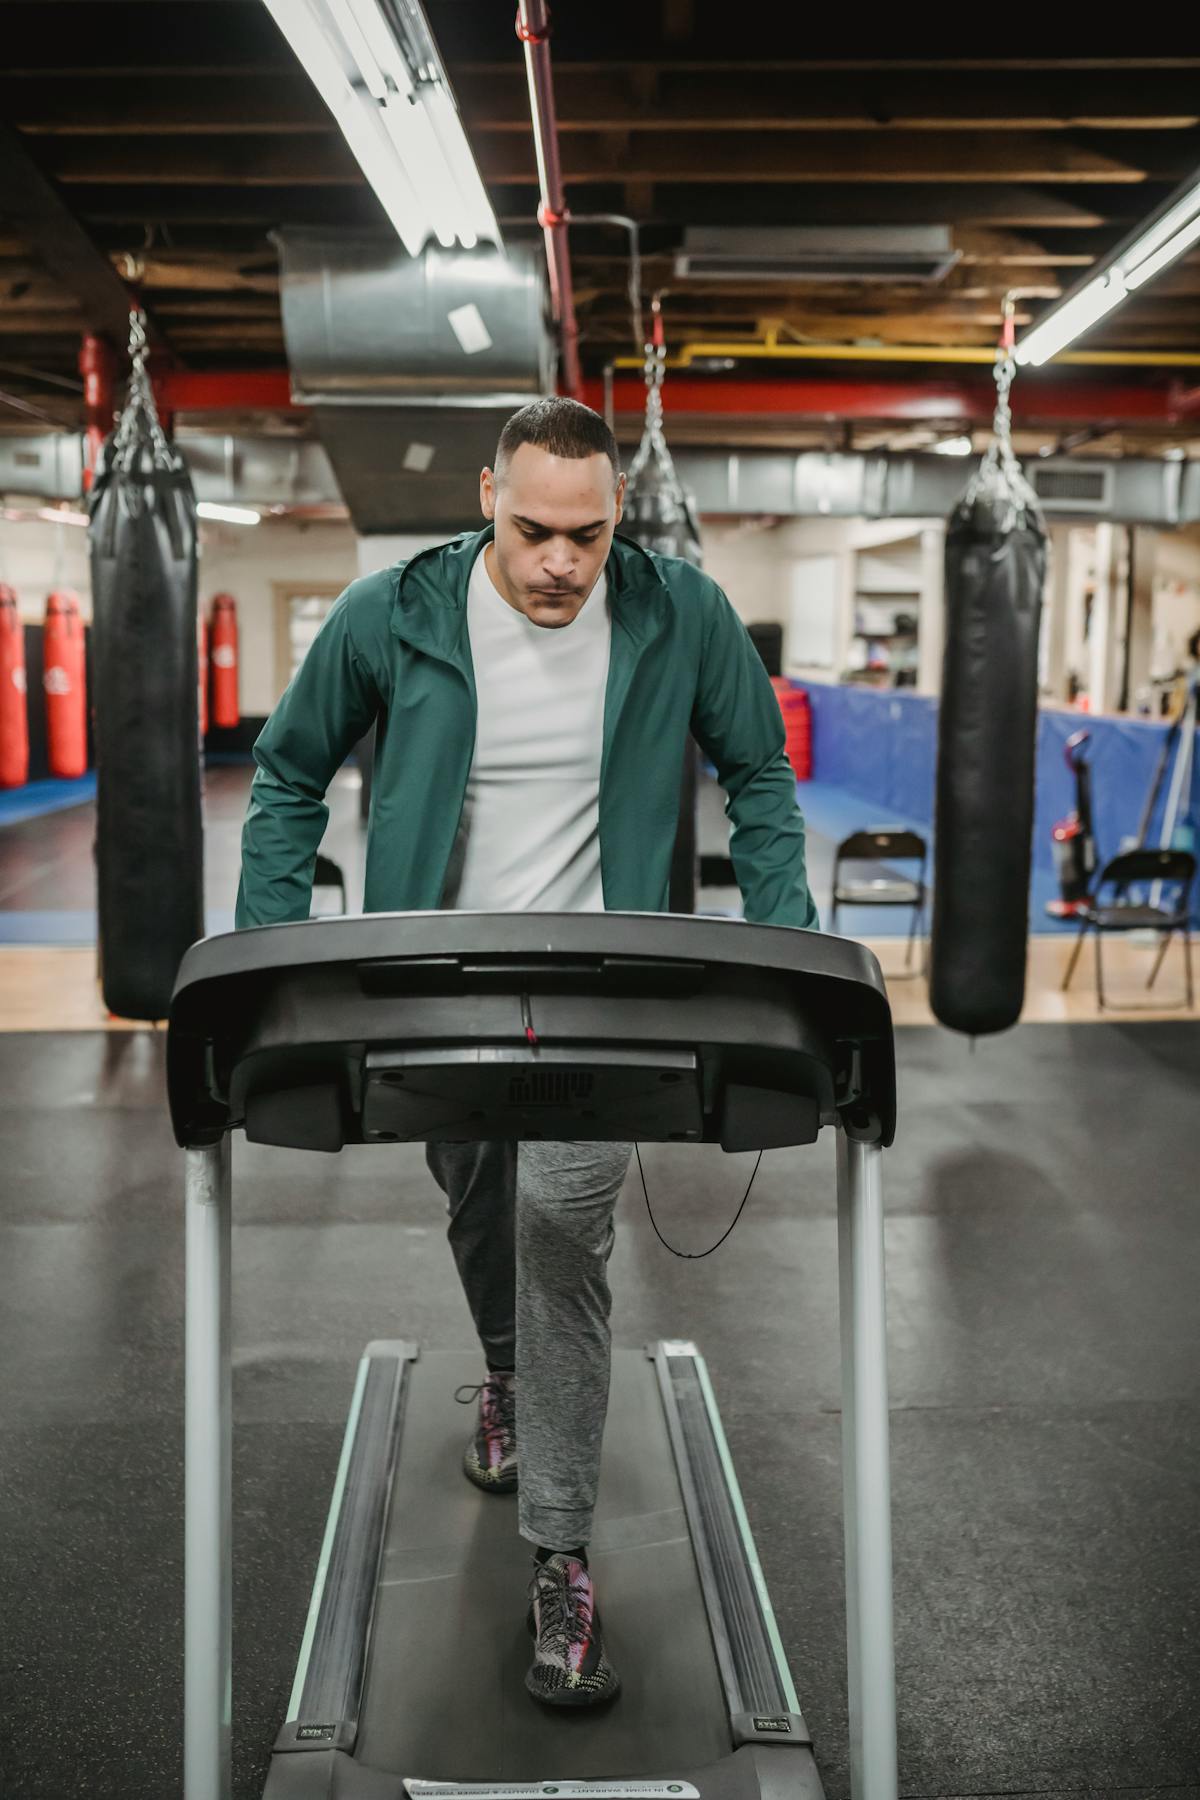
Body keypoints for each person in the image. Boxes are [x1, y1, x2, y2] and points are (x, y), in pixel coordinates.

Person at [236, 396, 818, 1710]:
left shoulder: (679, 612)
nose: (563, 561)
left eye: (590, 535)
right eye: (535, 529)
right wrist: (272, 966)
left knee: (562, 1216)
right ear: (490, 495)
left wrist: (790, 969)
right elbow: (286, 775)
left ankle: (559, 1552)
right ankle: (504, 1376)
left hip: (605, 990)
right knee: (479, 1200)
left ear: (620, 516)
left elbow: (761, 778)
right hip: (431, 985)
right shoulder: (395, 612)